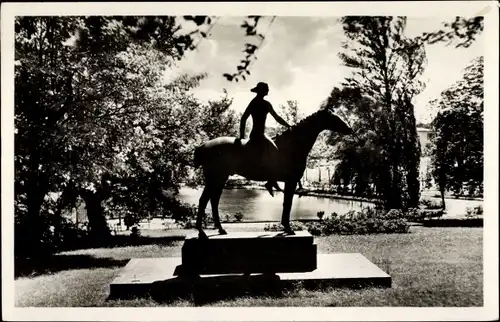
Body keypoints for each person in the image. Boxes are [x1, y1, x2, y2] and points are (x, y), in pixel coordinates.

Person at [239, 82, 291, 197]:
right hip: (259, 135)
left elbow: (243, 119)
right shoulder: (264, 104)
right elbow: (277, 118)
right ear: (262, 91)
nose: (268, 91)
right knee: (275, 152)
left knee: (272, 152)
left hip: (258, 134)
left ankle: (271, 181)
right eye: (266, 89)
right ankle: (270, 181)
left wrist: (242, 136)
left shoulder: (254, 103)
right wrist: (288, 126)